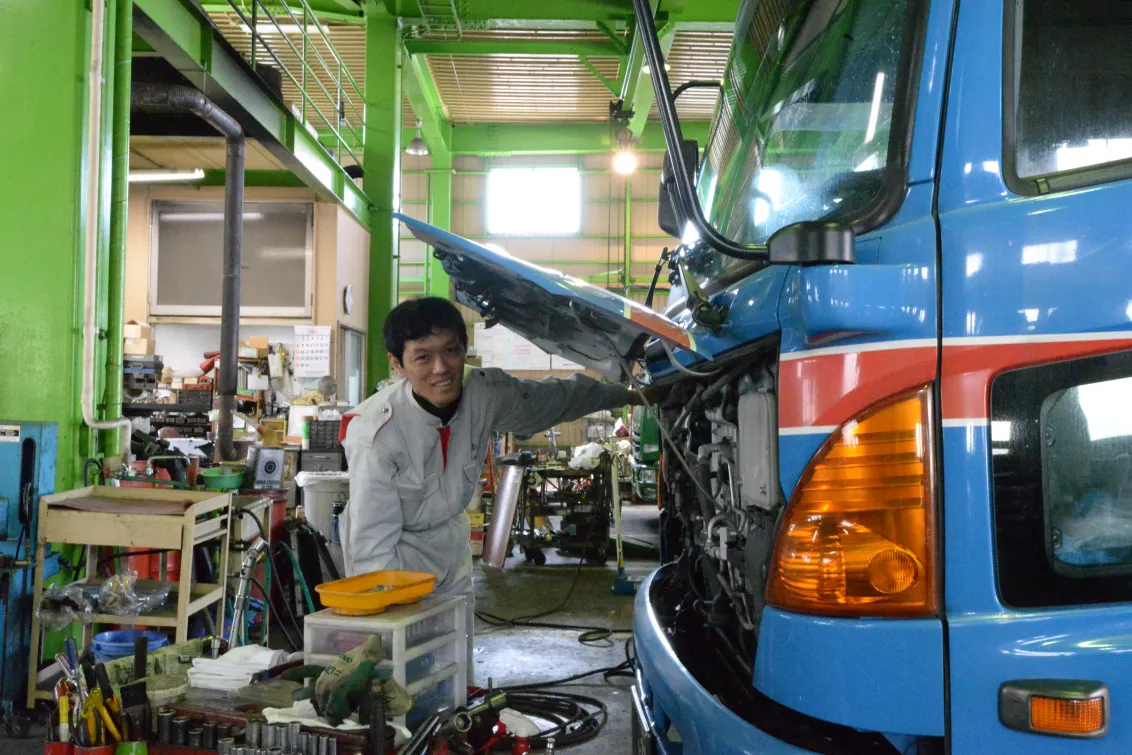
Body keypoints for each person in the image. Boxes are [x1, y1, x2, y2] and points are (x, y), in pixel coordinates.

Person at [341, 297, 639, 680]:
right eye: (422, 357)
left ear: (465, 349)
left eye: (451, 351)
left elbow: (551, 399)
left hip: (450, 550)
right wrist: (386, 619)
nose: (441, 368)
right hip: (395, 558)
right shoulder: (376, 433)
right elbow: (372, 544)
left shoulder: (483, 394)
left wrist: (628, 395)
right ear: (397, 364)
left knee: (455, 664)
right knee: (403, 670)